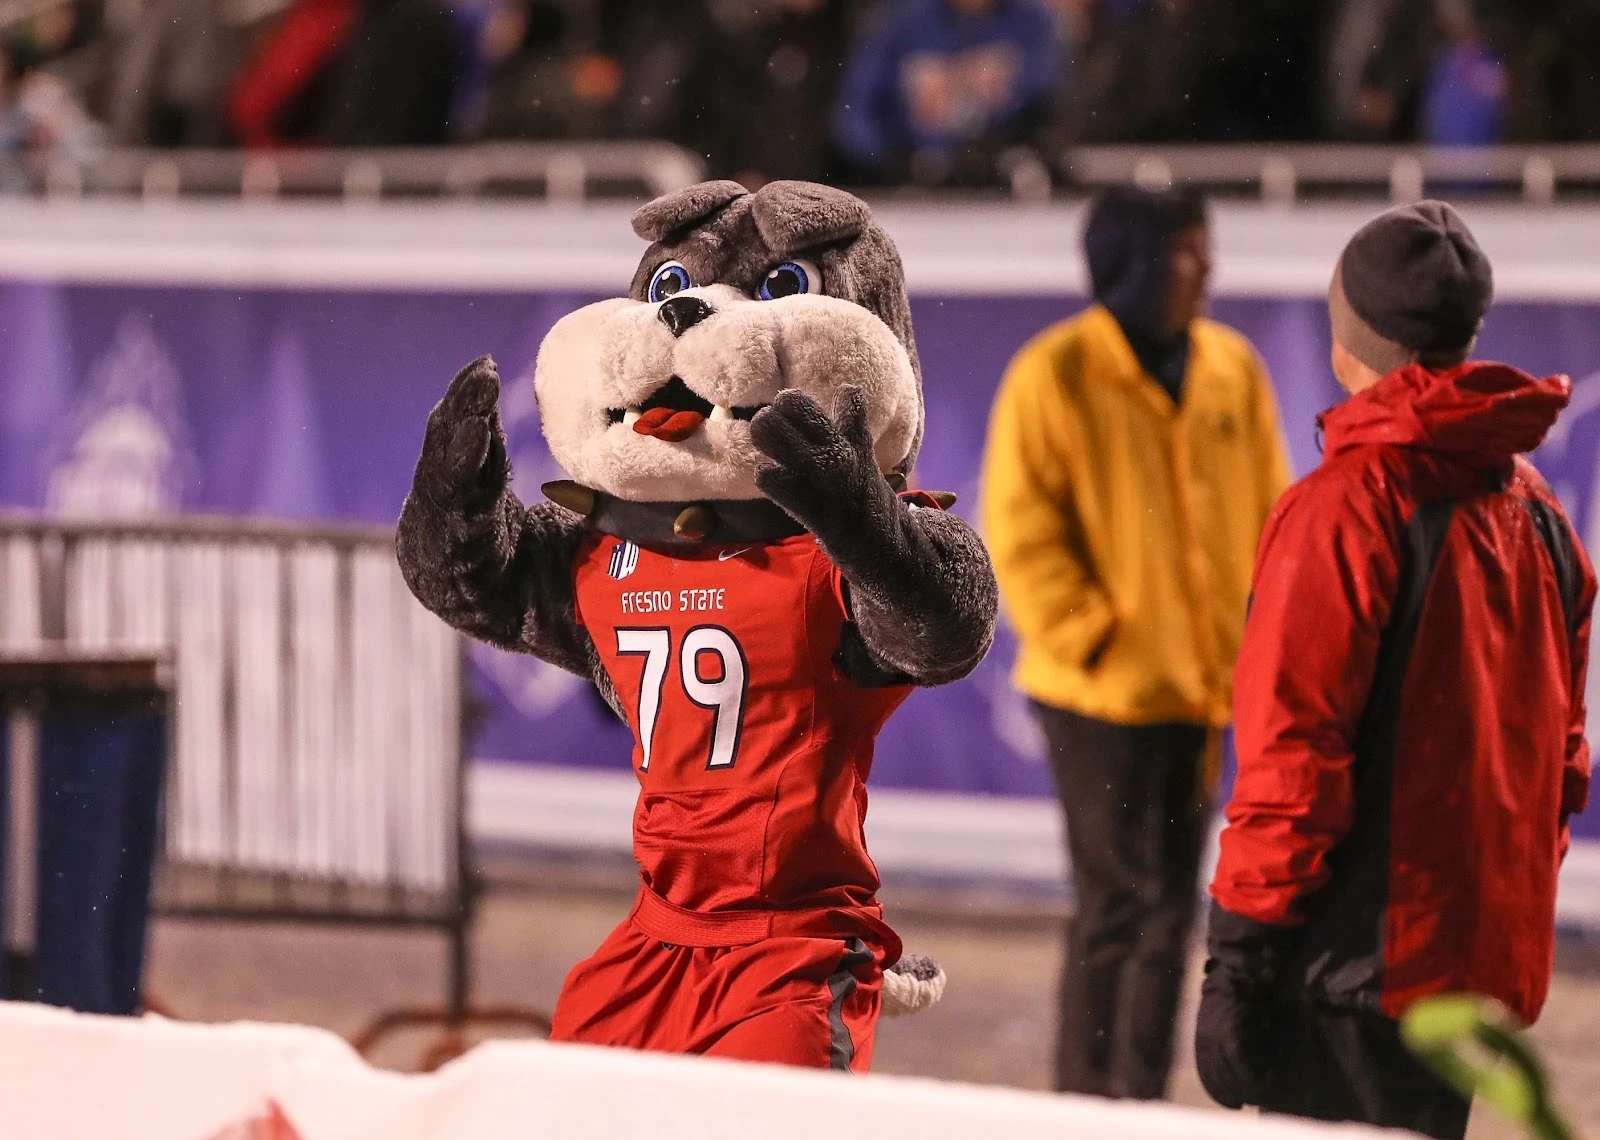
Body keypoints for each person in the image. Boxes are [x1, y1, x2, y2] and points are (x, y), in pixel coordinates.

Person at [1196, 201, 1596, 1140]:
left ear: (1349, 339)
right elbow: (1557, 764)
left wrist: (1239, 958)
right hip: (1462, 969)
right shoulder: (1537, 511)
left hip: (1348, 970)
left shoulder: (1343, 510)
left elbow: (1294, 758)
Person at [980, 185, 1292, 1099]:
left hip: (1201, 691)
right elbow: (1022, 530)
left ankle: (1140, 1101)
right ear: (1134, 264)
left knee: (1168, 917)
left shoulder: (1231, 367)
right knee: (1117, 907)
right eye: (1191, 251)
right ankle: (1086, 1100)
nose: (1208, 270)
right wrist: (1098, 638)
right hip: (1098, 698)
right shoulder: (1056, 373)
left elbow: (1276, 517)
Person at [832, 0, 1058, 187]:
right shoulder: (899, 19)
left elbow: (1049, 100)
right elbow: (854, 110)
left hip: (1004, 186)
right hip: (913, 186)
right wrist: (889, 165)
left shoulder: (1032, 22)